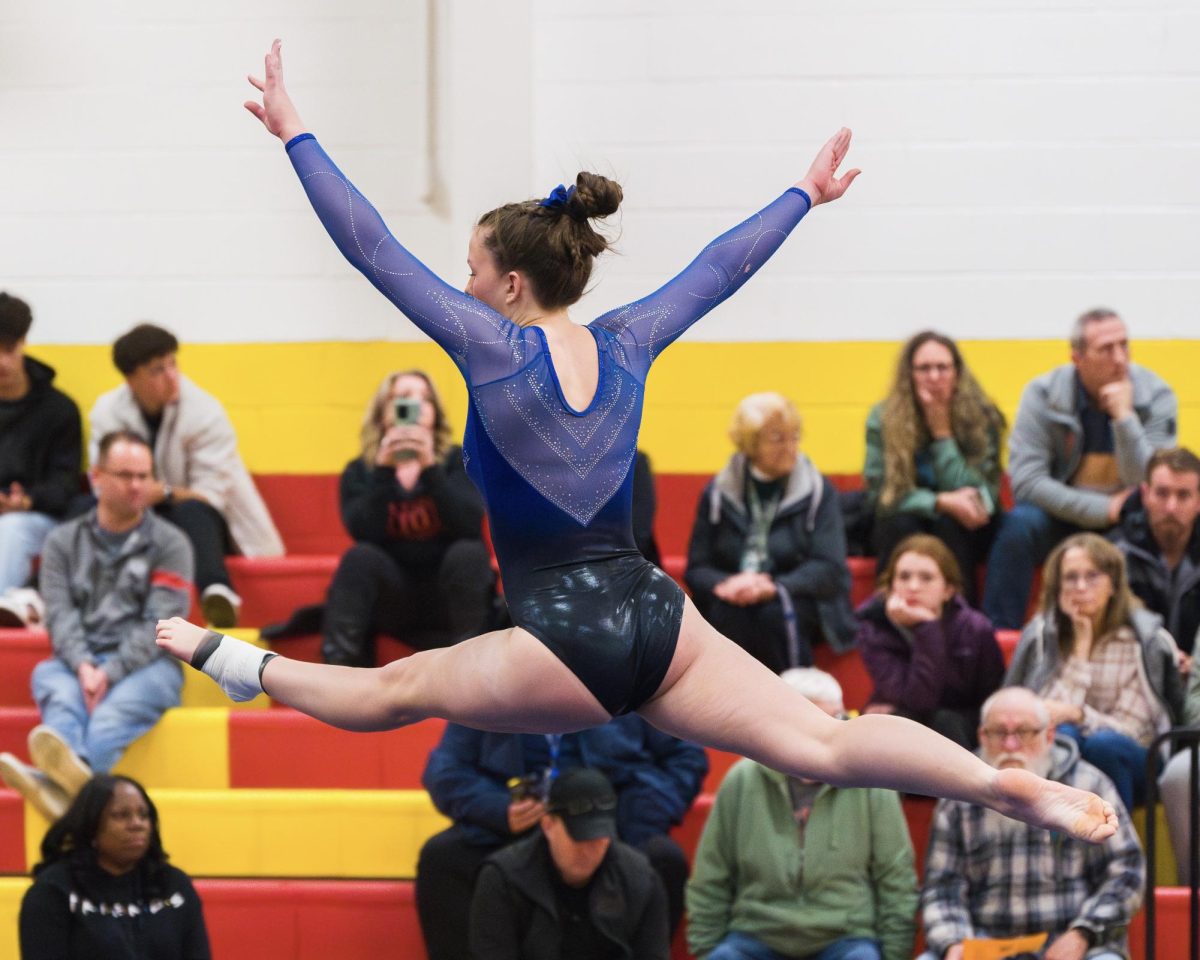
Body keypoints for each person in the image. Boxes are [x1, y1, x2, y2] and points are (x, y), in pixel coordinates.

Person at [156, 41, 1119, 850]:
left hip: (562, 633)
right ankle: (1005, 786)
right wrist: (799, 194)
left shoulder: (488, 345)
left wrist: (297, 135)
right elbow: (716, 271)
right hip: (661, 619)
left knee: (398, 686)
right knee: (826, 741)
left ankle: (225, 659)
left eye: (472, 266)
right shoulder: (628, 341)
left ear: (506, 284)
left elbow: (370, 247)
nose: (463, 280)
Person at [6, 431, 194, 819]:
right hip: (78, 662)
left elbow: (163, 624)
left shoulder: (171, 543)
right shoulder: (62, 542)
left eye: (144, 476)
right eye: (126, 475)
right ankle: (72, 787)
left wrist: (109, 672)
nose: (138, 485)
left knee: (107, 724)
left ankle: (61, 796)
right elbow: (60, 616)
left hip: (151, 666)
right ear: (96, 477)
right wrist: (84, 666)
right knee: (51, 685)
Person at [417, 715, 706, 958]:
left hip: (613, 826)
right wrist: (497, 808)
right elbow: (444, 770)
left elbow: (686, 757)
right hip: (518, 828)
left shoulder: (628, 677)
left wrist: (633, 816)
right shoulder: (486, 685)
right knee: (443, 857)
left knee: (663, 861)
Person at [687, 667, 917, 960]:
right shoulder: (742, 780)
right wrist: (707, 949)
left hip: (846, 939)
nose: (821, 734)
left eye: (833, 721)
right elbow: (711, 875)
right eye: (807, 723)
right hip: (755, 937)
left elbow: (896, 877)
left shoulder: (872, 783)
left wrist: (894, 956)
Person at [983, 308, 1177, 629]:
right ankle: (1001, 639)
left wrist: (1124, 419)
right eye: (1106, 349)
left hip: (1126, 519)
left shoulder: (1156, 396)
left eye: (1124, 345)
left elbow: (1148, 481)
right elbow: (1027, 482)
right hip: (1060, 515)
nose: (1120, 358)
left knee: (1159, 532)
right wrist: (1103, 509)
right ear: (1078, 358)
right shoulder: (1043, 395)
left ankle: (1152, 644)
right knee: (1016, 527)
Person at [919, 687, 1144, 960]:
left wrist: (1083, 933)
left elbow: (1127, 873)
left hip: (1072, 945)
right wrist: (953, 943)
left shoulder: (1090, 787)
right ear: (982, 736)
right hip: (984, 946)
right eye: (999, 733)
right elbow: (942, 888)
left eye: (1024, 732)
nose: (1011, 745)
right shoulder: (957, 797)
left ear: (1049, 735)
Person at [89, 323, 283, 627]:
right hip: (138, 515)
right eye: (157, 370)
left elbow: (210, 494)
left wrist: (163, 493)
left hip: (203, 519)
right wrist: (138, 495)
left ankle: (217, 591)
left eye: (172, 364)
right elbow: (102, 480)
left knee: (193, 511)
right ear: (131, 379)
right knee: (82, 510)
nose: (171, 376)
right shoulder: (106, 412)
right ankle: (58, 594)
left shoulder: (205, 411)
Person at [322, 368, 496, 664]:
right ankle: (339, 672)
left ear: (436, 413)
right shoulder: (361, 471)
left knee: (468, 553)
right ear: (383, 411)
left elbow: (469, 525)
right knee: (359, 557)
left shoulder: (459, 460)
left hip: (449, 594)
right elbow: (363, 533)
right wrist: (383, 473)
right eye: (403, 398)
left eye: (424, 399)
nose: (414, 407)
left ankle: (473, 669)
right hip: (395, 598)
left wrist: (430, 469)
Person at [1005, 532, 1185, 812]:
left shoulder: (1143, 641)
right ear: (1057, 587)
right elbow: (1041, 721)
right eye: (1070, 577)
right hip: (1066, 749)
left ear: (1113, 584)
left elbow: (1134, 731)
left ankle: (1112, 849)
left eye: (1092, 576)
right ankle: (1062, 846)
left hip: (1136, 758)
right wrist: (1081, 645)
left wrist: (1078, 714)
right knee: (1063, 738)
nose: (1080, 586)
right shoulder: (1041, 637)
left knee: (1103, 746)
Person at [685, 392, 856, 673]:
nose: (790, 446)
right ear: (750, 444)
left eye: (795, 436)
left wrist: (774, 588)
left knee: (773, 614)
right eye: (777, 438)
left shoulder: (818, 491)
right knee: (726, 614)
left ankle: (788, 705)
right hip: (733, 596)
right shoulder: (717, 492)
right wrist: (726, 585)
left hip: (794, 598)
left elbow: (830, 568)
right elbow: (697, 567)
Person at [468, 767, 669, 960]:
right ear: (548, 825)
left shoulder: (641, 880)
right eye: (580, 838)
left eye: (599, 838)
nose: (589, 850)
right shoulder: (503, 879)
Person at [863, 331, 1004, 603]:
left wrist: (942, 436)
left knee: (953, 524)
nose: (935, 377)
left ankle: (959, 620)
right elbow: (881, 495)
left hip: (965, 525)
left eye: (943, 368)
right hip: (904, 518)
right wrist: (938, 502)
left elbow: (983, 496)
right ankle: (891, 617)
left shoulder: (983, 416)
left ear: (957, 372)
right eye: (924, 369)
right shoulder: (883, 418)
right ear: (909, 375)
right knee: (899, 524)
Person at [18, 773, 211, 960]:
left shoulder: (174, 885)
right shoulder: (54, 890)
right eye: (121, 815)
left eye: (143, 815)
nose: (137, 824)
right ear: (91, 826)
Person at [857, 534, 1004, 749]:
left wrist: (927, 627)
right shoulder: (874, 631)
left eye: (926, 577)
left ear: (948, 590)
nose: (914, 586)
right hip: (908, 719)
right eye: (904, 577)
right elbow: (918, 702)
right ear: (890, 587)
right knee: (891, 723)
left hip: (965, 726)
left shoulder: (975, 629)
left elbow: (991, 702)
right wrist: (928, 629)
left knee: (945, 722)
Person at [0, 291, 82, 598]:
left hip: (37, 518)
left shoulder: (58, 409)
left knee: (11, 531)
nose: (2, 362)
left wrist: (25, 501)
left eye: (8, 349)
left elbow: (65, 486)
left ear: (23, 342)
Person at [1111, 446, 1200, 657]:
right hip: (1132, 677)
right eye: (1162, 493)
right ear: (1145, 495)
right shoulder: (1115, 555)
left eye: (1183, 495)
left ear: (1199, 501)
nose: (1171, 507)